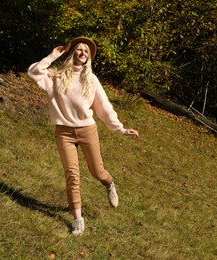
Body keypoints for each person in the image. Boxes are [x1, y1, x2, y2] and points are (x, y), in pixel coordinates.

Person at [27, 36, 139, 235]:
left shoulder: (91, 80)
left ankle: (109, 184)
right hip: (64, 133)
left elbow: (104, 108)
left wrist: (120, 128)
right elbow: (34, 72)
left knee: (97, 171)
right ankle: (78, 219)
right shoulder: (56, 77)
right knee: (72, 175)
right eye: (79, 50)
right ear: (72, 53)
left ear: (89, 57)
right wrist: (53, 55)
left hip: (87, 130)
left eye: (86, 51)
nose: (83, 53)